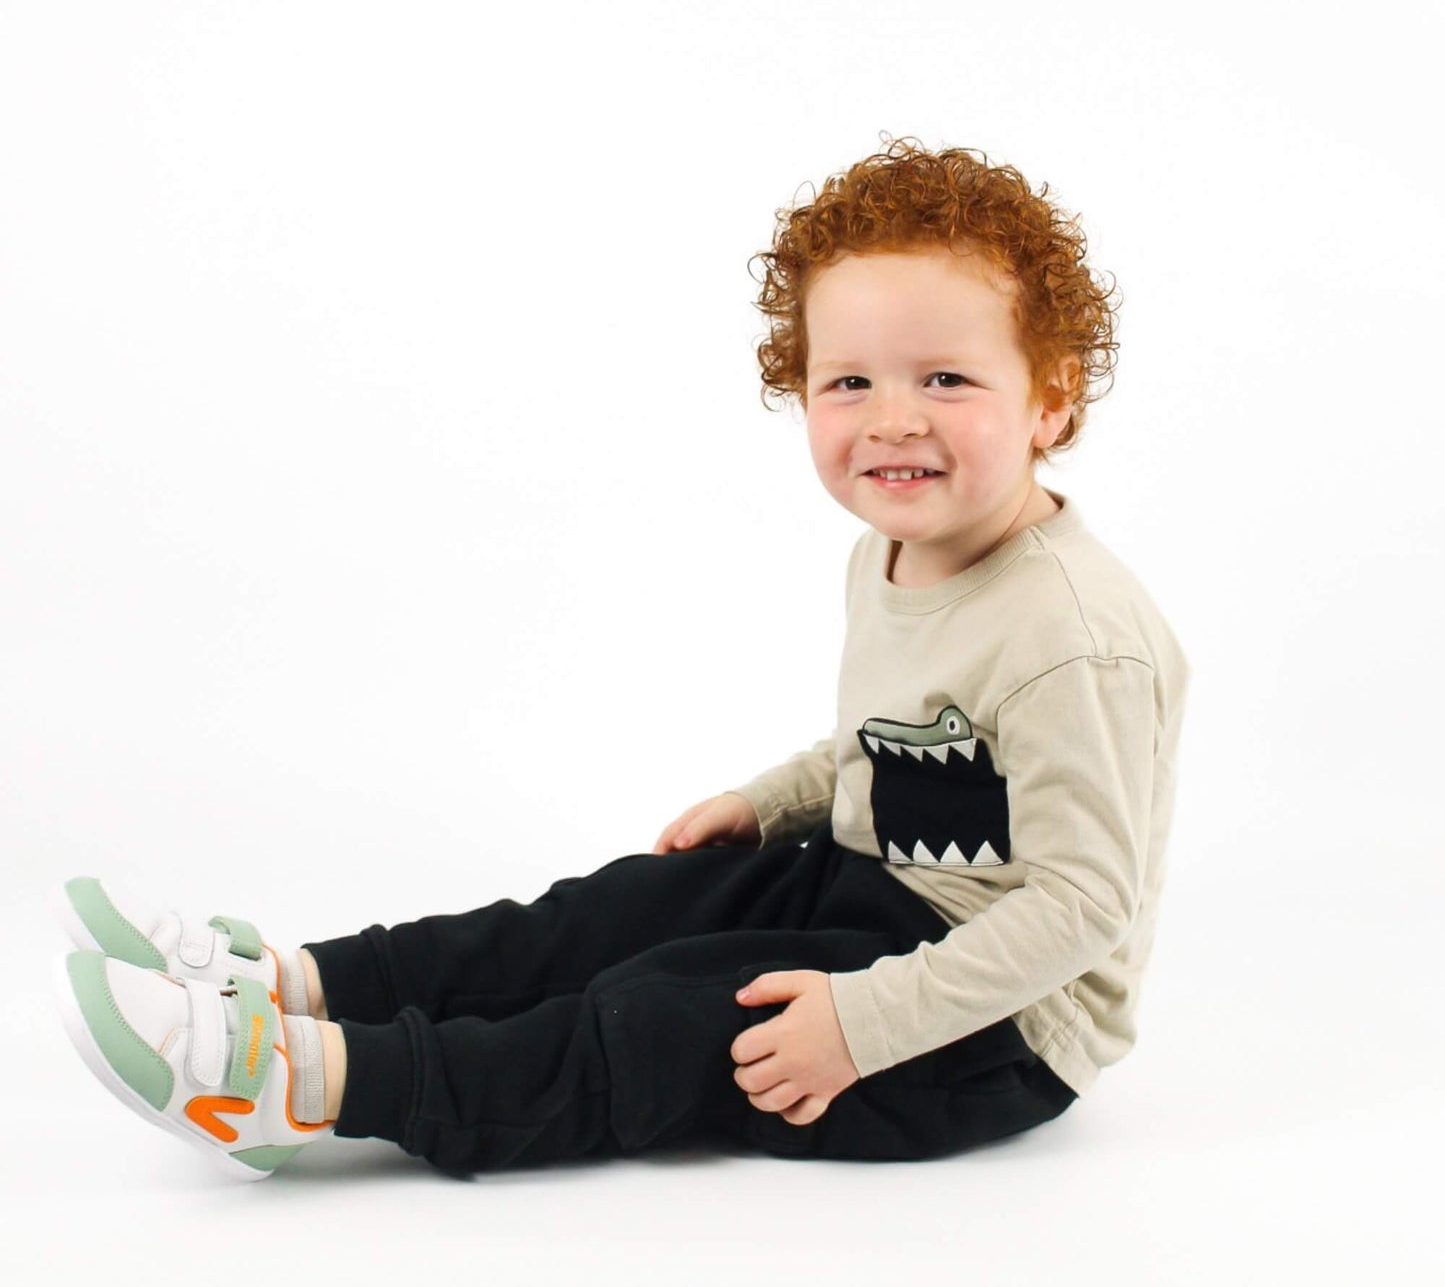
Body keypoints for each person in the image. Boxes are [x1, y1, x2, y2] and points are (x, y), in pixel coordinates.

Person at [52, 134, 1190, 1181]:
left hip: (998, 1026)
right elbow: (897, 743)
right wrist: (774, 801)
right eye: (850, 381)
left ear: (1049, 399)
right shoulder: (892, 550)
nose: (892, 417)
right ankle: (289, 982)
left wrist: (861, 1023)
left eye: (944, 378)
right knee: (614, 913)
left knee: (663, 1014)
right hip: (875, 888)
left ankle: (304, 1087)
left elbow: (1082, 903)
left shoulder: (1071, 639)